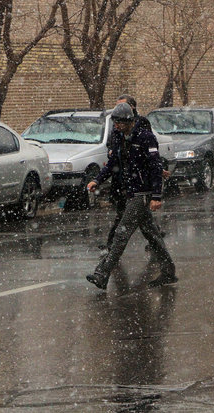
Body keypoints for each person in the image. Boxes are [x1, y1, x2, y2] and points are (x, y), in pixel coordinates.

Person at [86, 102, 177, 289]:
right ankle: (168, 271)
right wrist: (98, 179)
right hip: (130, 191)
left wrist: (156, 196)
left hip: (141, 193)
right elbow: (112, 163)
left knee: (121, 233)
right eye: (115, 123)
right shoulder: (119, 137)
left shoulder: (146, 137)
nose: (117, 126)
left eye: (120, 123)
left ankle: (102, 274)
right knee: (152, 235)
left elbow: (155, 166)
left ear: (130, 121)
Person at [102, 94, 168, 252]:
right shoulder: (118, 127)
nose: (119, 110)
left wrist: (156, 172)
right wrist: (113, 152)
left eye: (123, 106)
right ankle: (158, 246)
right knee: (139, 218)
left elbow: (149, 153)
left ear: (132, 107)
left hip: (138, 181)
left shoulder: (141, 125)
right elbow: (114, 146)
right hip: (123, 177)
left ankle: (110, 251)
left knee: (127, 218)